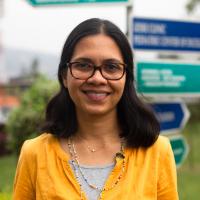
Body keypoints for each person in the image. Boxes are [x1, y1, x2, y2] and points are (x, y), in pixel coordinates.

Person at [13, 18, 179, 200]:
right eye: (83, 65)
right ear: (64, 76)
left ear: (126, 77)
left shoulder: (156, 151)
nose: (97, 78)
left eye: (111, 67)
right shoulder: (35, 153)